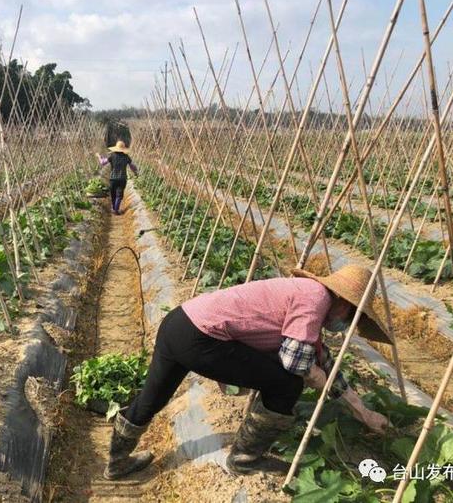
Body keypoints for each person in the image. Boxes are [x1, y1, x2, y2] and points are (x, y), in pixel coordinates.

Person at [103, 264, 392, 480]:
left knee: (154, 395)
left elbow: (324, 359)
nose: (347, 324)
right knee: (287, 384)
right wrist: (316, 378)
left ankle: (116, 461)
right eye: (351, 316)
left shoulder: (308, 296)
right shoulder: (315, 299)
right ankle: (245, 459)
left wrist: (363, 411)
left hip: (179, 323)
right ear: (344, 302)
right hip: (202, 338)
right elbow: (296, 364)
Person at [97, 140, 139, 215]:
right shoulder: (126, 157)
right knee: (119, 195)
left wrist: (99, 157)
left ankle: (114, 208)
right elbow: (132, 166)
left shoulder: (112, 156)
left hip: (113, 178)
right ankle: (116, 210)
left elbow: (103, 162)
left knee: (113, 194)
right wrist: (135, 172)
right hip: (122, 179)